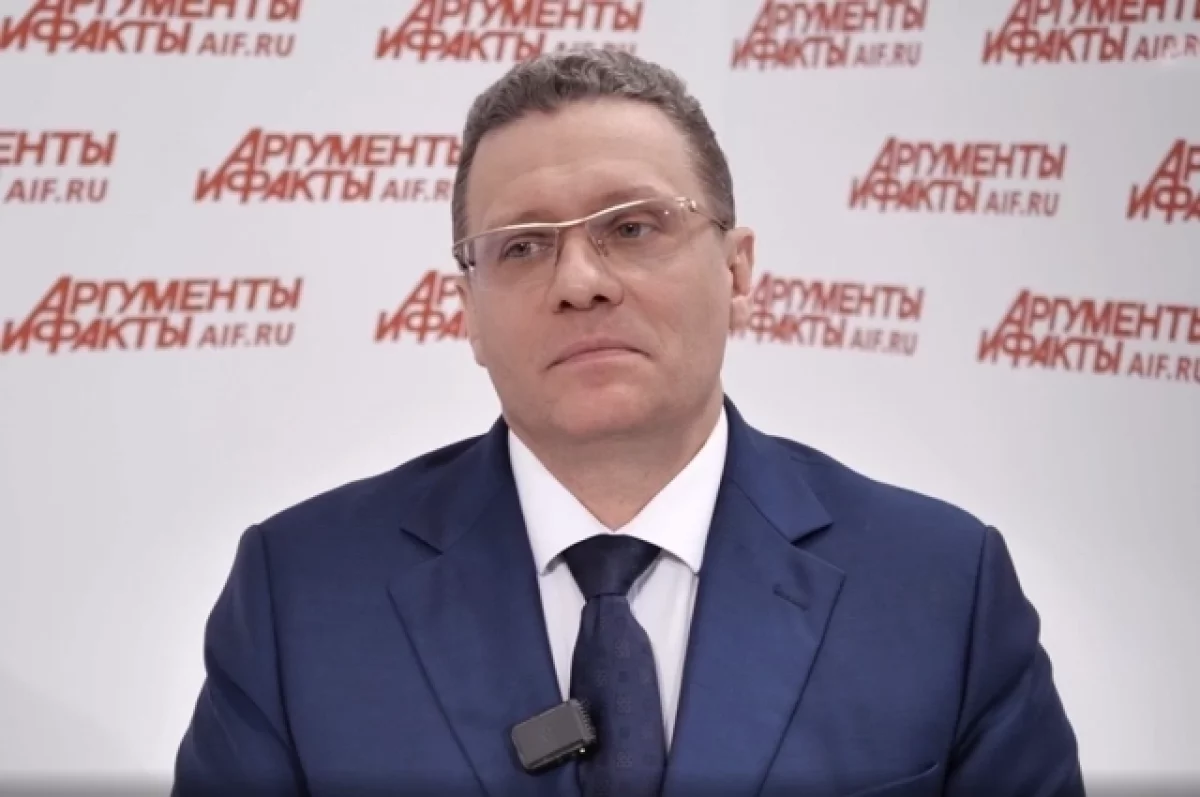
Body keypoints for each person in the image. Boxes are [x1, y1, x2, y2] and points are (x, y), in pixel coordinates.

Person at [172, 49, 1085, 797]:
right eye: (522, 246)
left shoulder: (940, 586)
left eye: (634, 228)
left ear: (737, 271)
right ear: (468, 312)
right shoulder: (300, 596)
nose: (580, 281)